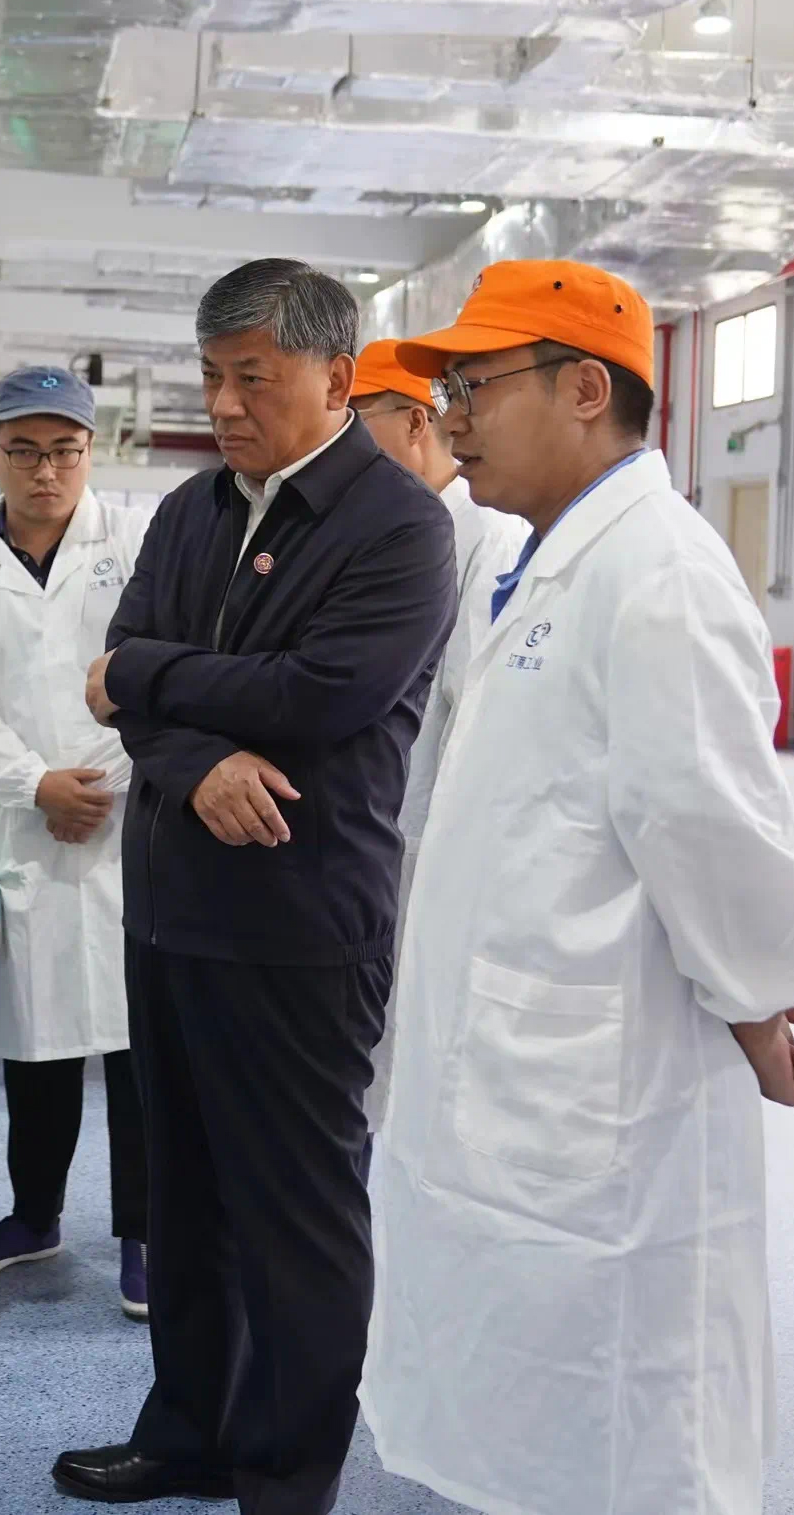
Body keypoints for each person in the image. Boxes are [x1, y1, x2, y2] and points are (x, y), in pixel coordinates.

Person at [360, 259, 794, 1515]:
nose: (452, 417)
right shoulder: (544, 564)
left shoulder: (659, 575)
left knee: (626, 1427)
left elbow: (714, 832)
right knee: (531, 1408)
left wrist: (760, 1002)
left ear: (584, 389)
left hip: (607, 1093)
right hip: (526, 1070)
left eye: (476, 386)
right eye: (448, 392)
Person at [63, 259, 456, 1512]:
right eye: (212, 378)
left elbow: (322, 696)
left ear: (337, 379)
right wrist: (196, 753)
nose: (226, 405)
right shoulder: (193, 510)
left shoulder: (398, 528)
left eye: (253, 378)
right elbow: (122, 677)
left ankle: (284, 1477)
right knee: (182, 1201)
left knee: (295, 1217)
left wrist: (148, 679)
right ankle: (189, 1434)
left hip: (298, 923)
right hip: (172, 908)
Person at [0, 365, 152, 1319]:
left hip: (128, 821)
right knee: (37, 1034)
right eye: (24, 450)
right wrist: (35, 784)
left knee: (143, 1044)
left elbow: (165, 667)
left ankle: (148, 1234)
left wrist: (96, 781)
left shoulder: (135, 544)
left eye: (64, 450)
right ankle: (34, 1215)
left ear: (91, 452)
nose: (45, 470)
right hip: (26, 829)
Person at [349, 339, 529, 1130]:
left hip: (426, 845)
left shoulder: (481, 538)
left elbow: (472, 719)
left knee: (403, 1067)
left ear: (416, 421)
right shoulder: (398, 529)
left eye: (358, 424)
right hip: (384, 836)